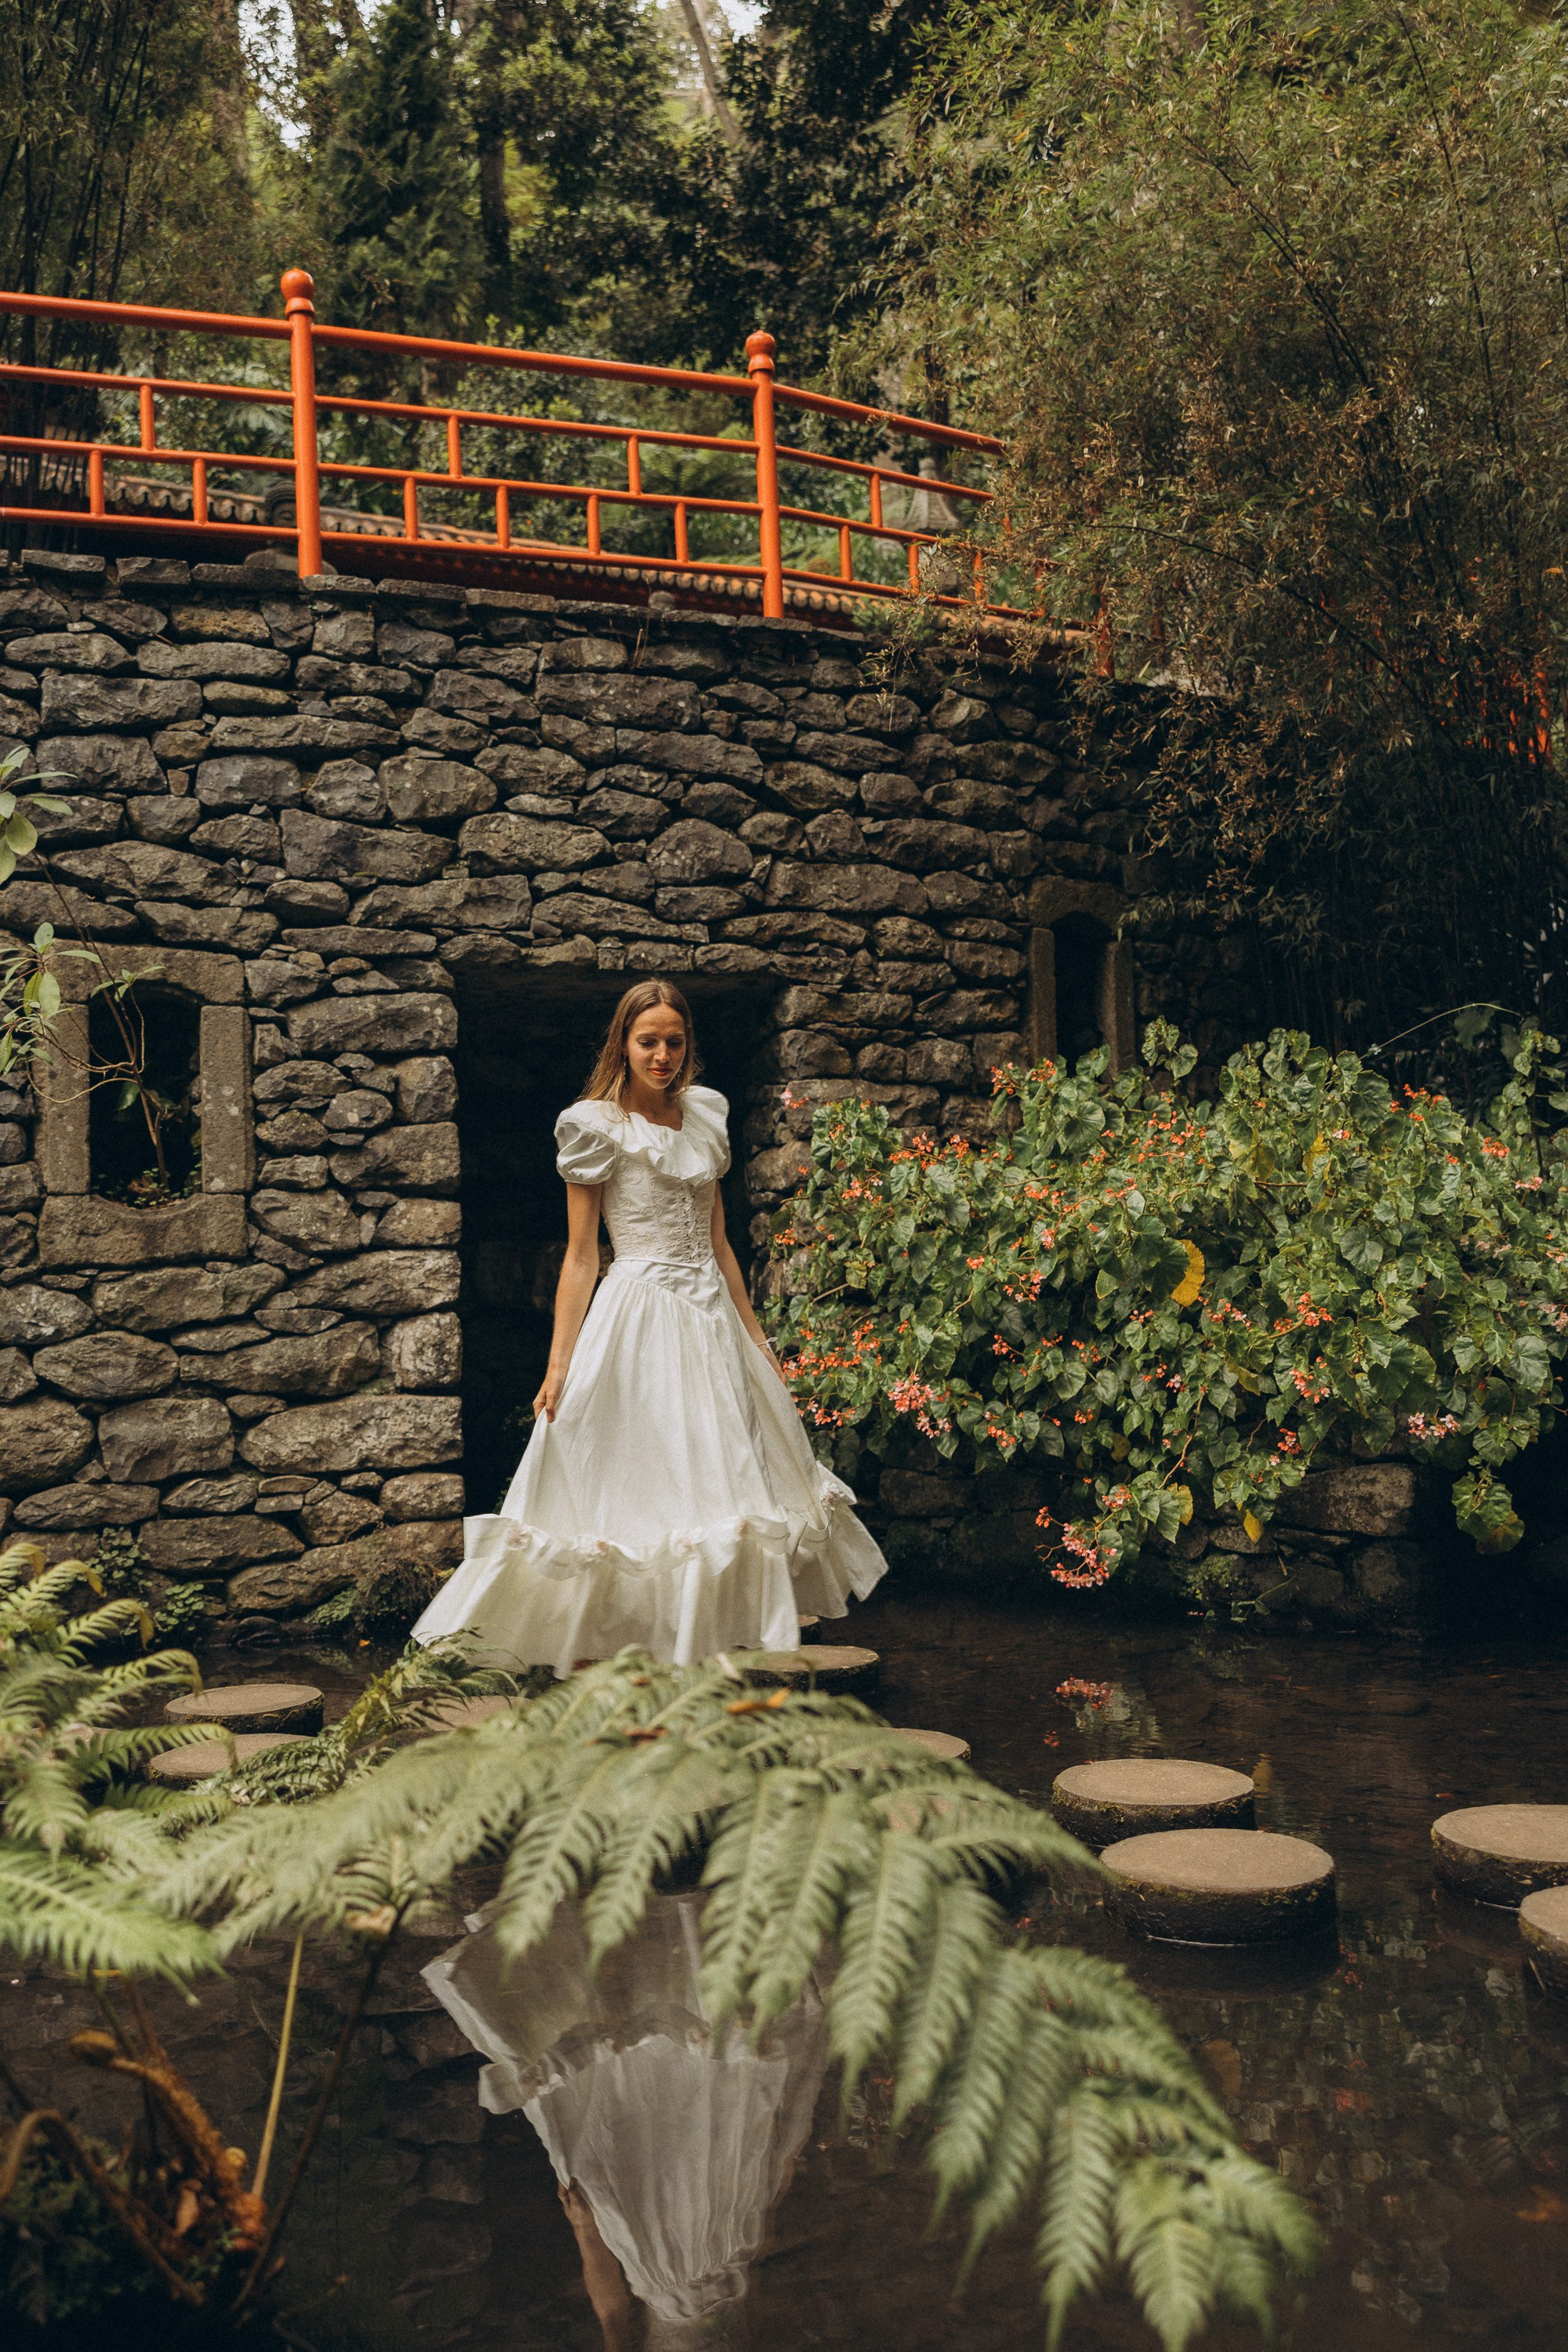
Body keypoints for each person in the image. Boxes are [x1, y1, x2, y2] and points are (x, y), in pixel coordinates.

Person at [412, 978, 887, 1671]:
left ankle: (714, 1657)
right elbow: (581, 1258)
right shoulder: (594, 1126)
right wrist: (557, 1365)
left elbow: (721, 1244)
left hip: (712, 1321)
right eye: (648, 1041)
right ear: (624, 1045)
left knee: (725, 1485)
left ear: (686, 1044)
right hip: (638, 1312)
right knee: (642, 1484)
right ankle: (631, 1659)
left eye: (673, 1041)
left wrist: (758, 1340)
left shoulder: (703, 1116)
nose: (662, 1055)